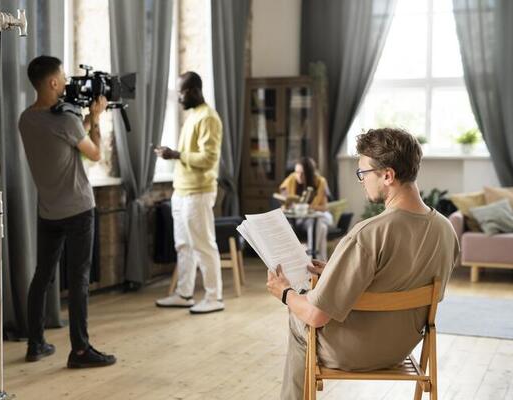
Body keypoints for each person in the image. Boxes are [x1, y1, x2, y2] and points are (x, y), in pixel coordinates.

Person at [267, 128, 460, 399]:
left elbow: (316, 315)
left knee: (299, 318)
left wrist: (284, 293)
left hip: (356, 351)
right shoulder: (446, 229)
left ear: (388, 175)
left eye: (363, 173)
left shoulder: (368, 233)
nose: (361, 180)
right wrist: (338, 273)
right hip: (402, 347)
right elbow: (401, 278)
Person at [18, 55, 116, 368]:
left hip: (49, 211)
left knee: (42, 276)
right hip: (77, 209)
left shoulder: (26, 119)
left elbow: (67, 138)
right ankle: (81, 351)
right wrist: (96, 118)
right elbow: (96, 153)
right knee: (78, 280)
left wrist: (83, 120)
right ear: (52, 82)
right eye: (62, 76)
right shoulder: (66, 120)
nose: (66, 80)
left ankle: (35, 344)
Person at [153, 71, 224, 314]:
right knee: (183, 245)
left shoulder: (209, 118)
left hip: (199, 192)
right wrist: (172, 154)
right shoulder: (193, 115)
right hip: (181, 191)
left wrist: (175, 154)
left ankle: (214, 298)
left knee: (203, 245)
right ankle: (184, 294)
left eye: (181, 93)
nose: (179, 99)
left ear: (193, 91)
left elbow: (209, 158)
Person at [279, 157, 333, 260]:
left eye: (302, 173)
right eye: (296, 172)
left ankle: (310, 254)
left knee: (319, 222)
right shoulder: (292, 179)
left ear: (309, 173)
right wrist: (286, 202)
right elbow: (283, 191)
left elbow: (325, 208)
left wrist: (310, 207)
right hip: (302, 219)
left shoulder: (320, 182)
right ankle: (318, 257)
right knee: (321, 227)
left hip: (317, 216)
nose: (298, 175)